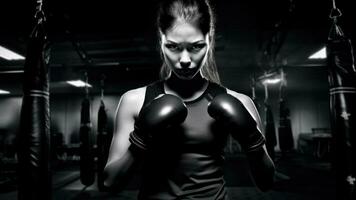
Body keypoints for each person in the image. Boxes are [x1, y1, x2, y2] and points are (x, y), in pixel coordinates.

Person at [103, 0, 275, 199]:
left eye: (196, 46)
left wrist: (251, 139)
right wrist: (141, 137)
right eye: (173, 46)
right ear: (161, 40)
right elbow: (110, 183)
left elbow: (266, 182)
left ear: (209, 40)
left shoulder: (240, 102)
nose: (184, 59)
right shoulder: (134, 101)